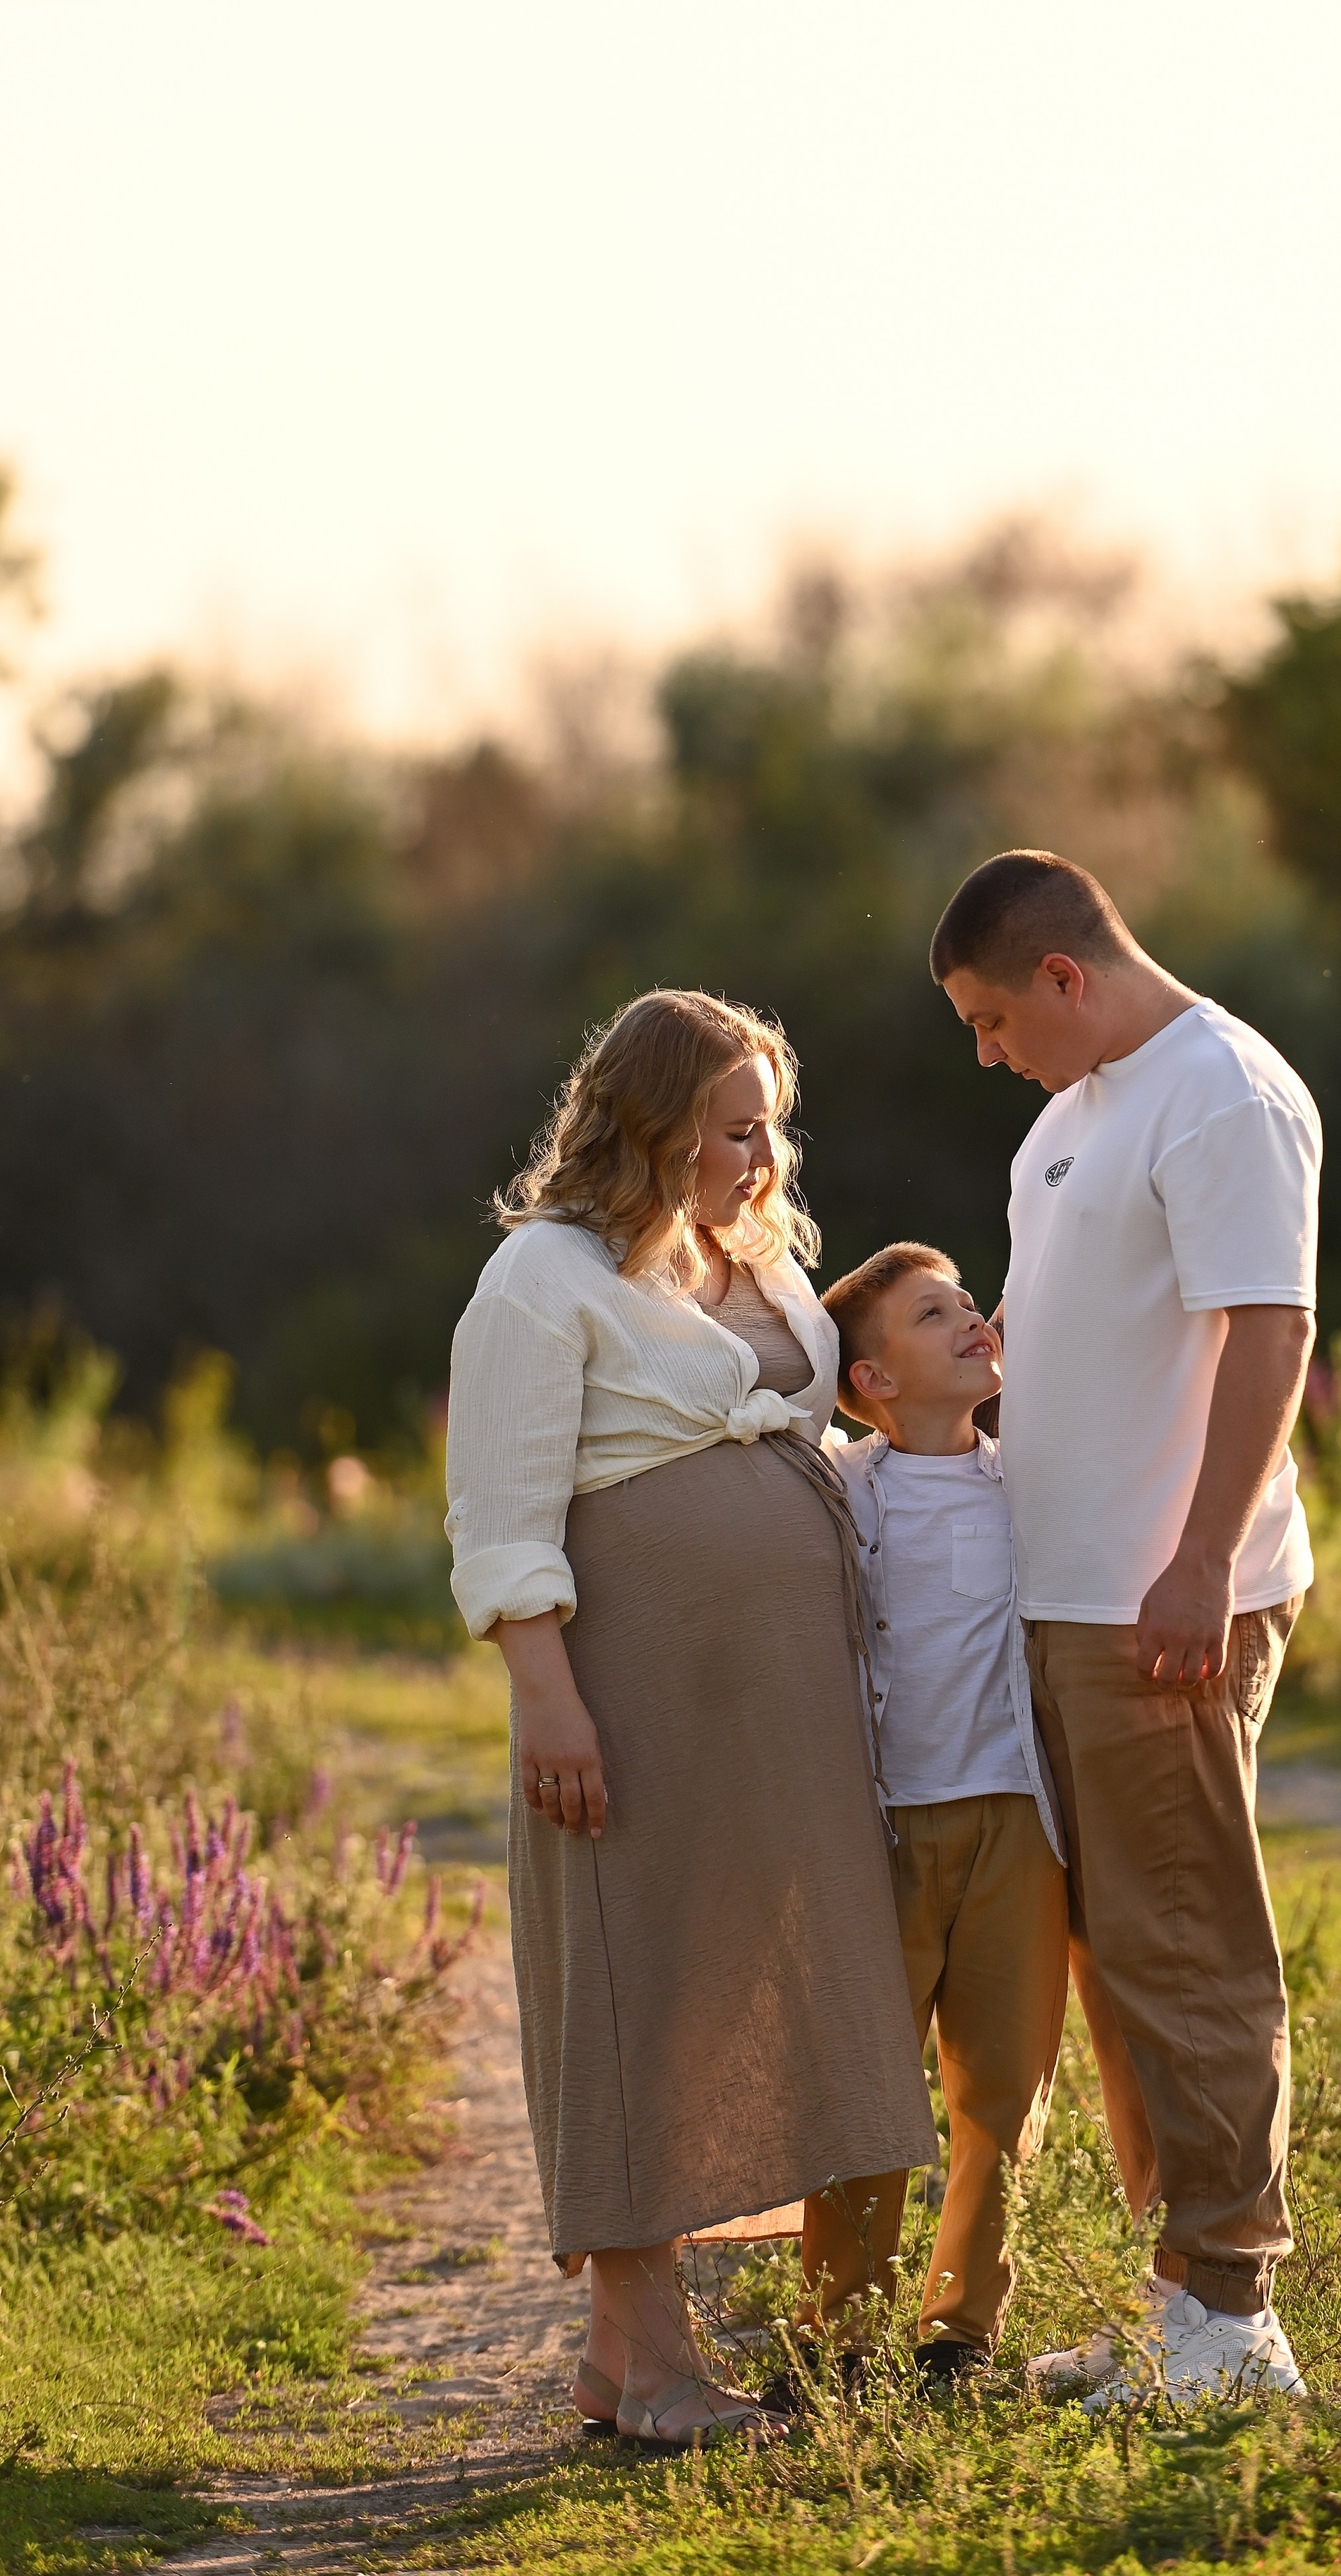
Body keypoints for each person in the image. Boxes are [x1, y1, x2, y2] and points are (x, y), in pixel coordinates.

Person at [444, 991, 935, 2448]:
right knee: (636, 1991)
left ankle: (628, 2360)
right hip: (632, 1692)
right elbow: (500, 1512)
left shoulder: (748, 1256)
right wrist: (550, 1703)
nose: (761, 1157)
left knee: (736, 1977)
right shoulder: (541, 1279)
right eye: (731, 1130)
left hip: (781, 1709)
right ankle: (651, 2367)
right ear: (650, 1125)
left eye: (767, 1124)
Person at [930, 849, 1320, 2405]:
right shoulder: (1067, 1118)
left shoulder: (1219, 1092)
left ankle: (1233, 2325)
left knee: (1183, 1946)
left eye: (988, 1017)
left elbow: (1267, 1328)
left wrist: (1201, 1562)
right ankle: (1180, 2314)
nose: (985, 1051)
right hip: (1063, 1596)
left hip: (1159, 1603)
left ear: (1063, 980)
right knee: (1113, 1970)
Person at [793, 1242, 1068, 2383]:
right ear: (873, 1383)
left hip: (1014, 1822)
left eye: (968, 1303)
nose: (972, 1320)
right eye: (932, 1314)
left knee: (1002, 2095)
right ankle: (839, 2333)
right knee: (865, 2089)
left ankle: (961, 2332)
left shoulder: (1032, 1479)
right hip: (886, 1833)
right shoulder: (839, 1492)